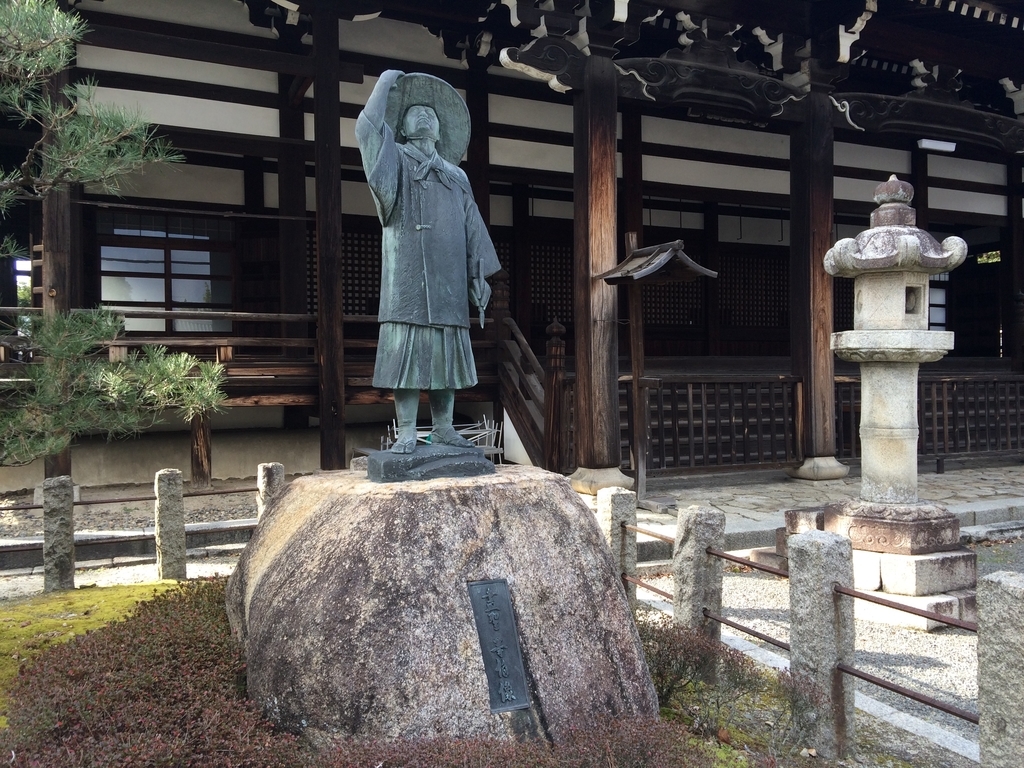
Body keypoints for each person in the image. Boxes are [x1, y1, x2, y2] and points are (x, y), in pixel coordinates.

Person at [356, 69, 502, 454]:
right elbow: (368, 132)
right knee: (406, 353)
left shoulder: (456, 176)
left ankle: (443, 428)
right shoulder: (395, 162)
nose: (424, 117)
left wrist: (478, 273)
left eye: (432, 115)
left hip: (449, 278)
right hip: (405, 277)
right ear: (401, 127)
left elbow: (473, 224)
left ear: (441, 132)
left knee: (444, 356)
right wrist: (385, 83)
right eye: (415, 112)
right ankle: (406, 430)